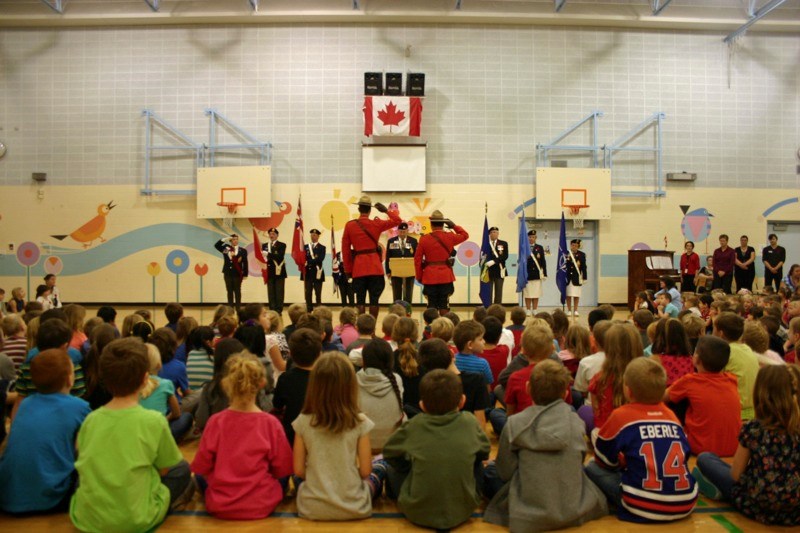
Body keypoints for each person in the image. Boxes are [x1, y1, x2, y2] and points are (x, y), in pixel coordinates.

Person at [70, 338, 195, 532]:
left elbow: (82, 459)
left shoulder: (90, 420)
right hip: (137, 519)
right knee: (181, 469)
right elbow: (164, 470)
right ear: (146, 378)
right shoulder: (154, 420)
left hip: (89, 519)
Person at [483, 360, 607, 532]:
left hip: (526, 506)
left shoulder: (513, 423)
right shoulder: (576, 422)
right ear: (565, 394)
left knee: (488, 472)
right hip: (570, 504)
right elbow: (577, 462)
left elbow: (505, 472)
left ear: (528, 388)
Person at [586, 358, 697, 522]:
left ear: (628, 391)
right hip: (686, 502)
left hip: (642, 505)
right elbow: (684, 456)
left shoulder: (621, 415)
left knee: (592, 467)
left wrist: (623, 462)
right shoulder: (671, 416)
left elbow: (603, 461)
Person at [383, 369, 491, 530]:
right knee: (478, 464)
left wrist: (408, 466)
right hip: (464, 510)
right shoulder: (470, 422)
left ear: (422, 405)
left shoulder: (414, 425)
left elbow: (389, 453)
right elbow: (484, 452)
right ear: (462, 401)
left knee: (389, 469)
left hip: (416, 511)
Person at [694, 365, 800, 526]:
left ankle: (719, 490)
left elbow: (736, 474)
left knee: (705, 458)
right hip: (795, 512)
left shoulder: (754, 428)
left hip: (756, 506)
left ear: (761, 392)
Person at [191, 353, 293, 520]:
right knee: (285, 477)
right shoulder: (271, 423)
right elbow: (282, 468)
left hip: (220, 503)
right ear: (262, 383)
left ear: (226, 384)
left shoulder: (215, 422)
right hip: (261, 503)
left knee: (198, 477)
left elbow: (202, 466)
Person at [292, 352, 386, 520]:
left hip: (311, 507)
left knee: (295, 477)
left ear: (314, 385)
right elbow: (365, 470)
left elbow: (298, 470)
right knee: (380, 466)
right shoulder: (360, 421)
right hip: (355, 506)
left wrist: (320, 477)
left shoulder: (303, 421)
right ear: (350, 386)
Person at [0, 350, 91, 514]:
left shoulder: (26, 404)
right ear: (70, 379)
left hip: (7, 496)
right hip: (50, 499)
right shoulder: (79, 407)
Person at [666, 335, 741, 456]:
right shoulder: (732, 380)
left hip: (701, 449)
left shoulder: (690, 381)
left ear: (697, 359)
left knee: (675, 401)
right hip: (733, 449)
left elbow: (660, 397)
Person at [341, 195, 402, 318]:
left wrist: (348, 270)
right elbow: (398, 221)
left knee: (360, 300)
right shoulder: (376, 224)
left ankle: (361, 328)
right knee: (374, 301)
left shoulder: (350, 226)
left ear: (359, 209)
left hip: (358, 268)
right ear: (370, 210)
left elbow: (345, 250)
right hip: (375, 267)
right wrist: (386, 211)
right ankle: (372, 329)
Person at [273, 328, 321, 445]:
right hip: (320, 434)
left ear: (291, 355)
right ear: (319, 354)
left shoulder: (285, 378)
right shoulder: (327, 378)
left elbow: (277, 405)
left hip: (292, 435)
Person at [414, 210, 469, 315]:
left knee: (431, 305)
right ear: (443, 224)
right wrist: (453, 226)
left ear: (431, 224)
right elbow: (465, 235)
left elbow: (417, 259)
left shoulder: (424, 239)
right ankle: (445, 330)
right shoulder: (450, 237)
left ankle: (431, 330)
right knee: (444, 304)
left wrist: (419, 276)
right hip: (445, 275)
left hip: (429, 276)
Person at [357, 338, 406, 452]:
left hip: (362, 447)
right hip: (392, 445)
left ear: (363, 361)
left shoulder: (354, 380)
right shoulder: (397, 379)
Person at [139, 344, 193, 442]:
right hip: (159, 434)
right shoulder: (166, 384)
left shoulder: (132, 385)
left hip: (138, 433)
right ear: (159, 365)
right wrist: (165, 419)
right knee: (186, 416)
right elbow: (176, 413)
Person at [714, 312, 759, 420]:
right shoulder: (747, 349)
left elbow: (711, 382)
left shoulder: (724, 352)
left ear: (721, 333)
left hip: (734, 412)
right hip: (753, 411)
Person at [385, 222, 418, 304]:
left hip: (409, 271)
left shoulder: (413, 241)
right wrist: (388, 271)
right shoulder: (391, 241)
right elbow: (387, 257)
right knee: (396, 294)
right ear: (397, 231)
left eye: (404, 231)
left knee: (408, 293)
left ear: (407, 231)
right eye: (401, 231)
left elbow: (417, 257)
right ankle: (397, 311)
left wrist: (417, 271)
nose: (402, 233)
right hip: (396, 271)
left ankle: (407, 311)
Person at [214, 234, 248, 310]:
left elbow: (245, 262)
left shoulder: (242, 250)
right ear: (230, 240)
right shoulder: (226, 248)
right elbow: (216, 245)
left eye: (236, 239)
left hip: (237, 273)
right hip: (227, 273)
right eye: (233, 239)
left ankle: (238, 308)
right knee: (229, 291)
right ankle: (230, 308)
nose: (235, 240)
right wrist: (224, 239)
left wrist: (245, 274)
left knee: (237, 291)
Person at [261, 227, 287, 314]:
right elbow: (263, 258)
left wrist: (268, 254)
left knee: (279, 291)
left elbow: (280, 257)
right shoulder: (264, 245)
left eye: (273, 234)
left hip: (279, 271)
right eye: (270, 234)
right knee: (271, 291)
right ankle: (272, 309)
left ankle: (279, 310)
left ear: (277, 235)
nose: (271, 235)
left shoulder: (282, 245)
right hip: (269, 271)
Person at [523, 229, 547, 315]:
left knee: (536, 293)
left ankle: (535, 309)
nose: (531, 238)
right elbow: (521, 261)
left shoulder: (539, 247)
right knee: (528, 293)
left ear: (535, 238)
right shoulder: (524, 247)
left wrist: (544, 273)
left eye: (533, 237)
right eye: (530, 237)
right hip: (527, 274)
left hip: (537, 274)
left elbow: (543, 261)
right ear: (527, 238)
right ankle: (528, 309)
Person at [485, 226, 509, 304]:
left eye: (495, 232)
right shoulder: (486, 244)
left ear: (498, 233)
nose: (493, 234)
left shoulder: (503, 243)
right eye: (491, 232)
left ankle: (497, 309)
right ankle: (488, 308)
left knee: (498, 292)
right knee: (488, 292)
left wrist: (494, 261)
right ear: (489, 234)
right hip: (489, 271)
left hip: (499, 270)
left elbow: (505, 256)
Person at [303, 228, 326, 311]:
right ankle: (309, 309)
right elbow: (302, 258)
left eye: (315, 235)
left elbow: (320, 259)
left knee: (318, 293)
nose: (313, 236)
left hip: (317, 273)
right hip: (308, 273)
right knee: (308, 292)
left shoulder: (322, 247)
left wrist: (308, 261)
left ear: (318, 236)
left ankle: (318, 309)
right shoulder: (305, 247)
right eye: (312, 235)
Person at [565, 239, 587, 317]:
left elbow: (584, 267)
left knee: (576, 295)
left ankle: (576, 310)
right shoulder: (566, 253)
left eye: (576, 246)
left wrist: (584, 277)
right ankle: (569, 310)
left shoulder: (582, 254)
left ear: (578, 246)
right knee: (568, 295)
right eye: (573, 245)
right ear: (570, 245)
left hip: (576, 277)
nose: (574, 247)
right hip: (568, 277)